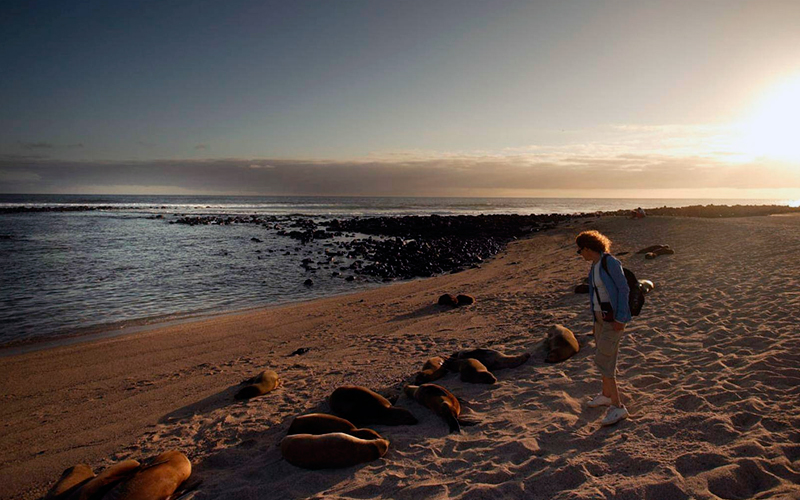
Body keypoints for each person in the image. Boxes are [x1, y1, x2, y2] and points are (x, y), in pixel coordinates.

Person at [576, 230, 630, 426]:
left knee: (604, 359)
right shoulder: (595, 265)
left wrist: (622, 318)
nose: (580, 254)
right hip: (600, 318)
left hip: (613, 318)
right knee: (604, 356)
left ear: (588, 248)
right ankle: (606, 395)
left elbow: (624, 289)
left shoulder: (610, 263)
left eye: (580, 250)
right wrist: (595, 319)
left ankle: (617, 407)